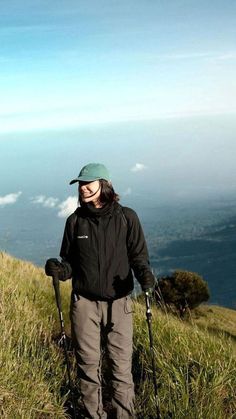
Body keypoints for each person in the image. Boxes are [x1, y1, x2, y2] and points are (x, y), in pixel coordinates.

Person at [45, 163, 155, 419]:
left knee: (121, 367)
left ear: (103, 184)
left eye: (88, 183)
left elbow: (139, 257)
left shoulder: (127, 217)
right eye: (81, 184)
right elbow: (70, 263)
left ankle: (124, 415)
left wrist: (145, 276)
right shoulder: (75, 221)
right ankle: (95, 415)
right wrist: (59, 270)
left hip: (120, 304)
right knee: (88, 365)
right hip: (84, 303)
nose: (83, 188)